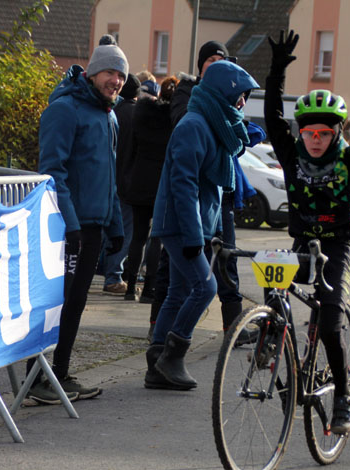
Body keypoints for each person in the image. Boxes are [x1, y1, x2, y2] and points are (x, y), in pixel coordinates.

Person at [265, 30, 350, 433]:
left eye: (324, 133)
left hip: (337, 244)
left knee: (328, 320)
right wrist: (276, 73)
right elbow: (272, 117)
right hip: (302, 241)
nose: (316, 139)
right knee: (274, 292)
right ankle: (273, 343)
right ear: (300, 133)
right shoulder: (290, 154)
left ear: (337, 133)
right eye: (309, 132)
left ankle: (344, 395)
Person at [145, 60, 259, 390]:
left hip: (193, 224)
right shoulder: (194, 125)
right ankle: (172, 356)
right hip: (180, 224)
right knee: (205, 288)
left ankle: (156, 366)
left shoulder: (214, 123)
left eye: (245, 98)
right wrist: (196, 236)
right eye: (239, 96)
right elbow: (184, 185)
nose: (241, 103)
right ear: (223, 92)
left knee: (179, 290)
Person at [30, 44, 129, 404]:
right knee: (57, 302)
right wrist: (68, 225)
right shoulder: (64, 109)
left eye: (121, 75)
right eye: (110, 73)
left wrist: (115, 225)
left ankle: (59, 375)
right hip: (66, 227)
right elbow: (52, 171)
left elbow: (109, 178)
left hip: (94, 227)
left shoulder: (109, 116)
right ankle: (35, 379)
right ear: (93, 73)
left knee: (76, 303)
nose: (116, 81)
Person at [121, 76, 179, 305]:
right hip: (163, 184)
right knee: (157, 239)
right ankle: (149, 289)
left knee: (138, 236)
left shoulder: (142, 116)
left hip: (140, 181)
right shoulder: (174, 122)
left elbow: (131, 151)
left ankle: (130, 285)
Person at [100, 73, 140, 295]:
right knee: (124, 231)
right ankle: (113, 276)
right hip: (127, 183)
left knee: (108, 230)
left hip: (108, 179)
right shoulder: (135, 115)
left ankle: (106, 270)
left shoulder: (111, 112)